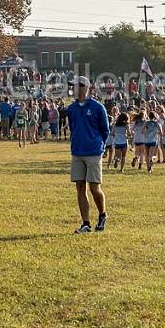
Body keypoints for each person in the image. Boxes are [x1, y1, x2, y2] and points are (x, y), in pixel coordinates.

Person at [68, 77, 109, 233]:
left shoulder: (98, 108)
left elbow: (105, 130)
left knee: (94, 188)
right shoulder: (71, 109)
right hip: (77, 151)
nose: (73, 89)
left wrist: (100, 146)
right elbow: (73, 128)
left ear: (85, 87)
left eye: (75, 86)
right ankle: (85, 223)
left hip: (93, 151)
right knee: (80, 187)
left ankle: (102, 214)